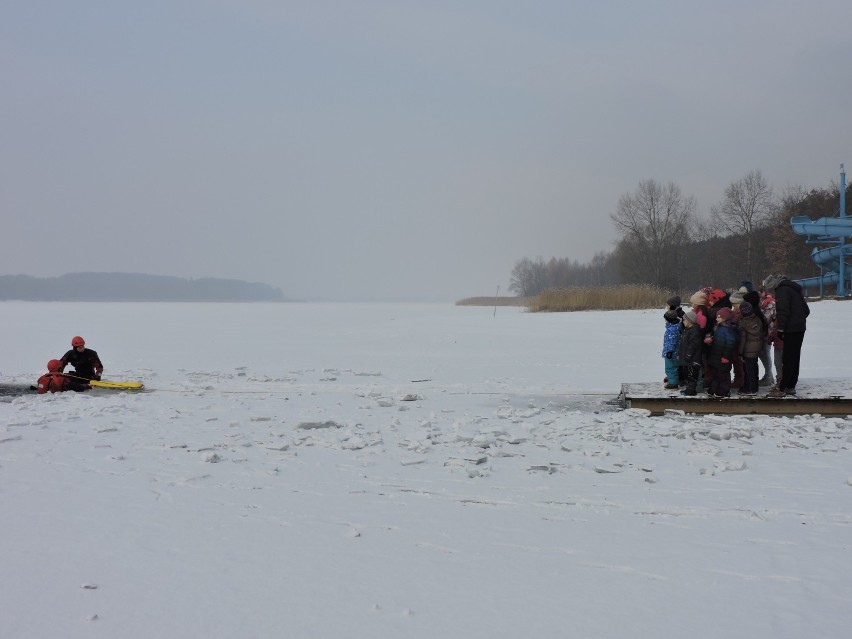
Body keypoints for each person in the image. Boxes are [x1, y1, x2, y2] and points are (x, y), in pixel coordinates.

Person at [765, 275, 809, 397]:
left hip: (790, 329)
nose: (773, 294)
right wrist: (798, 320)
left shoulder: (782, 290)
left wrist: (781, 329)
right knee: (795, 358)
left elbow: (783, 312)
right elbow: (806, 311)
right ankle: (790, 386)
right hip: (800, 328)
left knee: (787, 359)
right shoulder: (794, 289)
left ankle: (782, 388)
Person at [707, 307, 739, 398]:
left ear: (725, 318)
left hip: (724, 357)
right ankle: (713, 389)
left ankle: (723, 391)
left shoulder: (729, 329)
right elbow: (717, 340)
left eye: (719, 317)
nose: (717, 318)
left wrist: (726, 356)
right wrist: (710, 340)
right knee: (715, 374)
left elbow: (730, 343)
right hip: (716, 356)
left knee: (723, 375)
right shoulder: (718, 327)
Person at [737, 301, 765, 395]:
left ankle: (748, 388)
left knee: (748, 370)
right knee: (754, 367)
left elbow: (743, 339)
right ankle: (755, 387)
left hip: (747, 350)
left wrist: (740, 352)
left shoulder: (743, 323)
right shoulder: (757, 320)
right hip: (757, 348)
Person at [678, 310, 703, 396]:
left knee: (692, 375)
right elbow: (683, 345)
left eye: (684, 320)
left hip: (693, 359)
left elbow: (693, 345)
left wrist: (688, 354)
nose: (683, 322)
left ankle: (691, 390)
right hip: (687, 359)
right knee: (687, 374)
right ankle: (689, 388)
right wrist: (680, 354)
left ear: (689, 321)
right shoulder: (687, 330)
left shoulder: (694, 331)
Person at [662, 304, 681, 390]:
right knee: (675, 367)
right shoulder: (677, 326)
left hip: (671, 353)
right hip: (677, 352)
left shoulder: (671, 330)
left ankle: (673, 383)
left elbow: (671, 342)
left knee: (670, 368)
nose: (665, 321)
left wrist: (669, 351)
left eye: (665, 319)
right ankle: (675, 380)